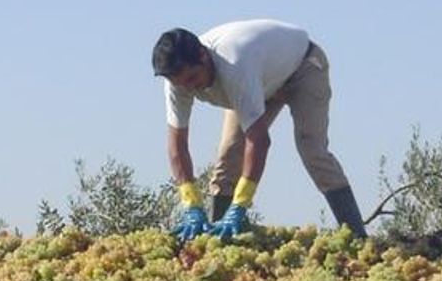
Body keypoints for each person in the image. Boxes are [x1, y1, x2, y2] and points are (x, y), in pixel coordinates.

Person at [151, 19, 367, 240]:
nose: (189, 88)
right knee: (229, 156)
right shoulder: (177, 82)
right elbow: (177, 145)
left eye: (192, 78)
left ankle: (357, 236)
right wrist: (191, 203)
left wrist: (241, 205)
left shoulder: (234, 66)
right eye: (181, 84)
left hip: (303, 67)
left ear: (203, 56)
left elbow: (259, 140)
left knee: (312, 150)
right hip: (261, 80)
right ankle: (224, 240)